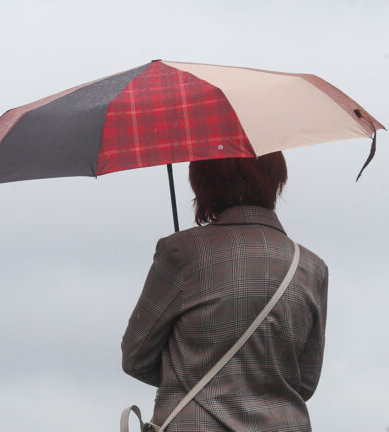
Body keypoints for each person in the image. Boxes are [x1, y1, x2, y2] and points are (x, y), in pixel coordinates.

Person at [121, 152, 328, 432]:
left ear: (204, 183)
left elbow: (136, 357)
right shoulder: (312, 268)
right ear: (276, 180)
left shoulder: (181, 253)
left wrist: (192, 373)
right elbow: (305, 381)